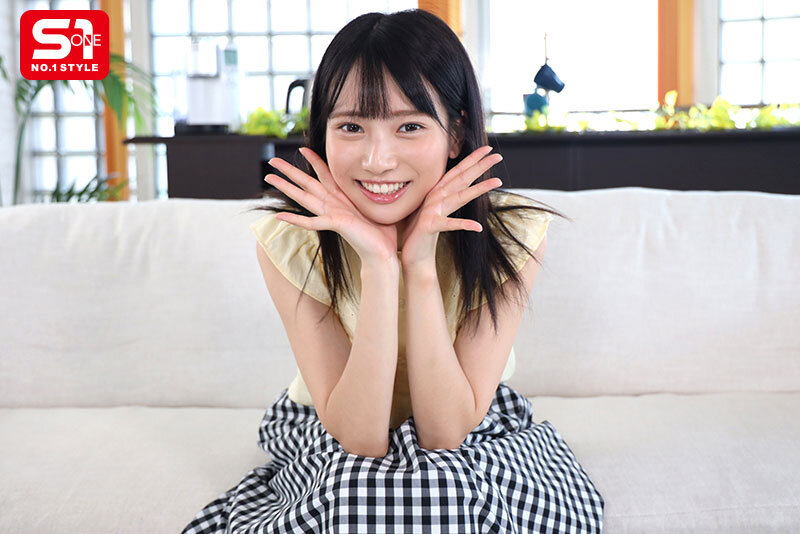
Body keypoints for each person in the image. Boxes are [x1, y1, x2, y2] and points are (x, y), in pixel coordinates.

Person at [180, 8, 604, 533]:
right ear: (323, 133)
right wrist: (379, 265)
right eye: (351, 126)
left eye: (409, 126)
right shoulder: (290, 240)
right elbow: (359, 438)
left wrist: (419, 264)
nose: (377, 160)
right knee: (361, 495)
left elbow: (447, 433)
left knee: (444, 489)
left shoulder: (511, 234)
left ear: (456, 134)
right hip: (330, 424)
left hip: (471, 420)